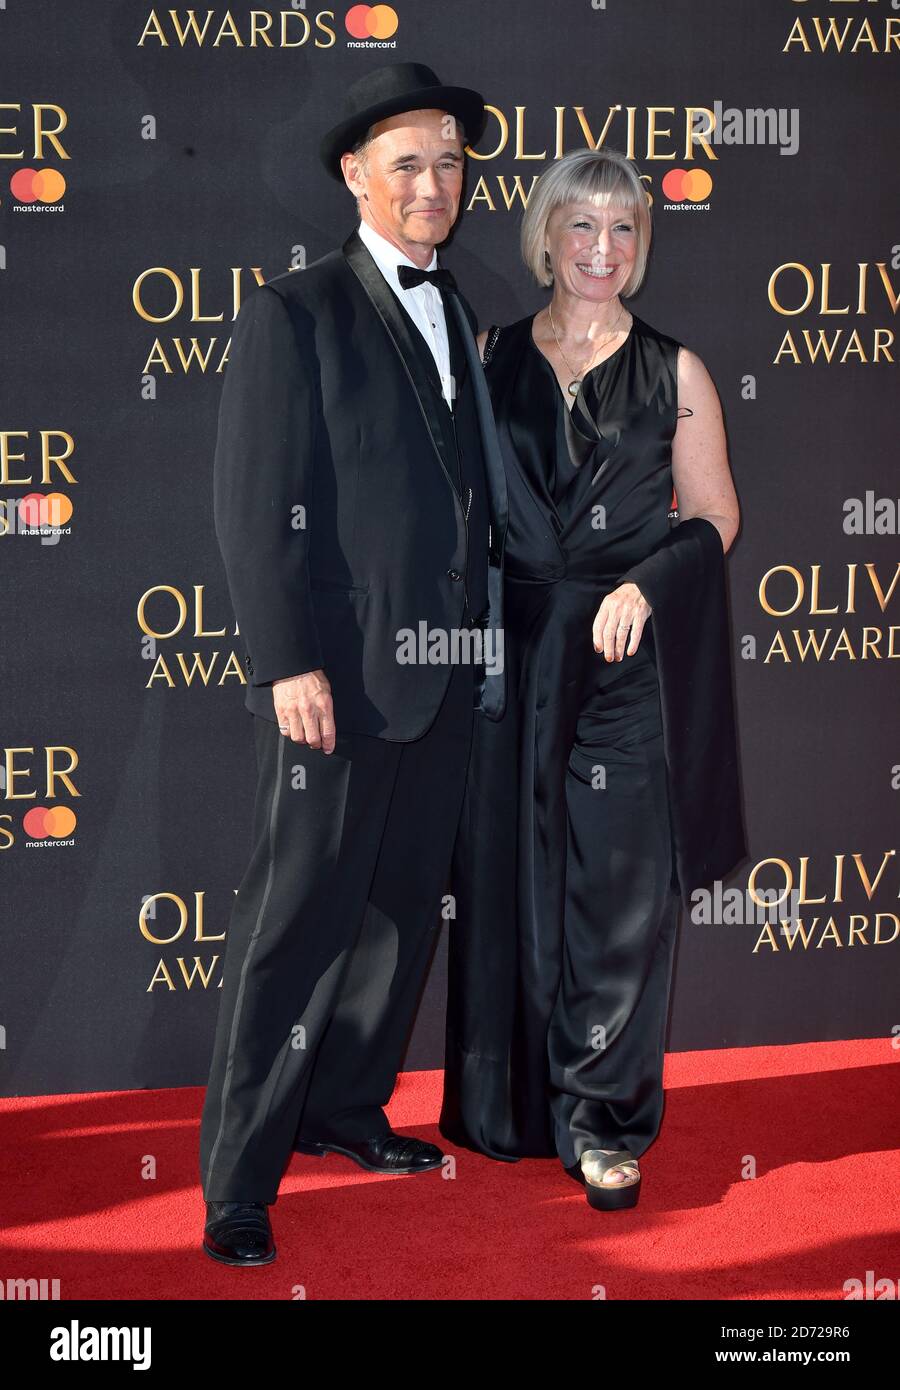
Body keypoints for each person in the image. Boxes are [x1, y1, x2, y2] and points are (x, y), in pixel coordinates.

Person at [200, 62, 508, 1265]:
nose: (434, 184)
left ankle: (342, 1107)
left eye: (448, 162)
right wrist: (286, 662)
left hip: (446, 671)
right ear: (355, 178)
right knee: (295, 925)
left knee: (393, 919)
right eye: (408, 166)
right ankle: (238, 1178)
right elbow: (251, 503)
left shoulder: (463, 310)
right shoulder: (296, 312)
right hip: (338, 675)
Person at [439, 147, 747, 1211]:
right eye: (581, 227)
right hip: (516, 655)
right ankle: (518, 1106)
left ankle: (603, 1120)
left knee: (619, 893)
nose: (601, 251)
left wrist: (648, 586)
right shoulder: (490, 358)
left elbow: (717, 518)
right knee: (515, 881)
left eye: (623, 230)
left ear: (642, 246)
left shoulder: (677, 372)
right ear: (546, 239)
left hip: (624, 659)